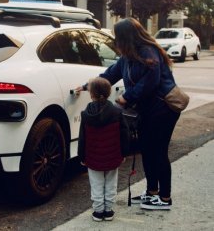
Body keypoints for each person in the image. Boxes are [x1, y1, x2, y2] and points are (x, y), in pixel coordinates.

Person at [76, 18, 181, 210]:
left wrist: (127, 97)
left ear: (126, 37)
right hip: (149, 110)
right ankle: (152, 193)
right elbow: (109, 75)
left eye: (118, 37)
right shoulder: (128, 57)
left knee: (158, 151)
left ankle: (165, 198)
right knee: (148, 150)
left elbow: (152, 81)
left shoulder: (148, 52)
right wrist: (86, 86)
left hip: (163, 109)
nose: (116, 41)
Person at [78, 77, 129, 222]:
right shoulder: (116, 112)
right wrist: (123, 153)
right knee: (111, 183)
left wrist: (82, 156)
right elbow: (124, 134)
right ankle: (108, 210)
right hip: (113, 156)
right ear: (108, 93)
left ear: (91, 94)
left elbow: (82, 138)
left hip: (93, 158)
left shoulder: (86, 114)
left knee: (96, 184)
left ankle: (98, 211)